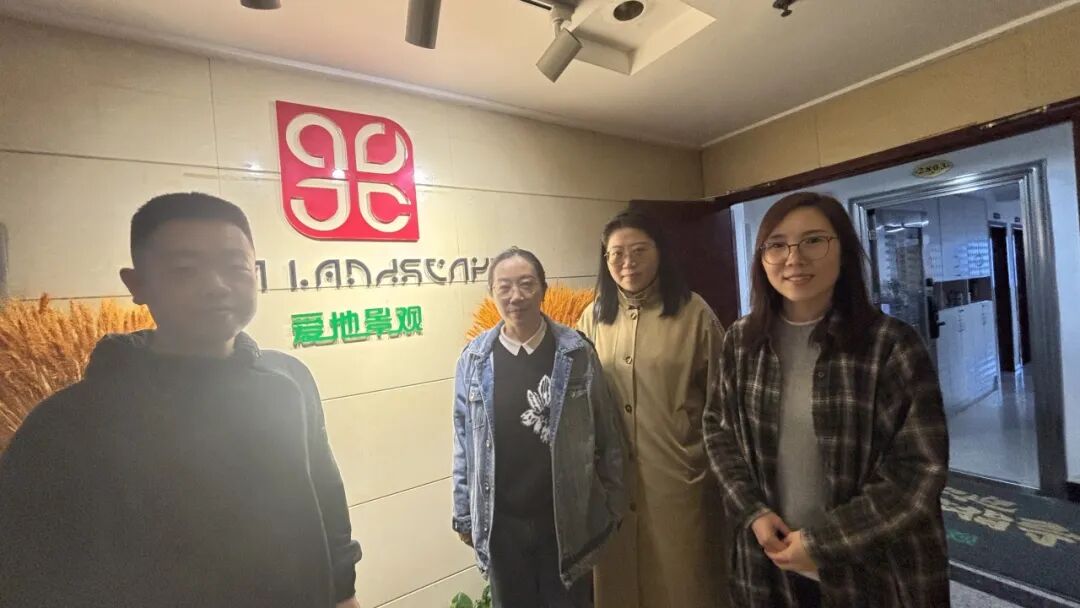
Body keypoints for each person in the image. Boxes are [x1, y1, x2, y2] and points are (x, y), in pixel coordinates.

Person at [0, 193, 361, 608]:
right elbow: (28, 567)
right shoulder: (69, 420)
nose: (217, 286)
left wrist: (344, 592)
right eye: (185, 270)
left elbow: (326, 497)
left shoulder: (289, 379)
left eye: (236, 267)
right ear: (137, 285)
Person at [704, 192, 950, 607]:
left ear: (844, 251)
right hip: (767, 565)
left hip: (873, 570)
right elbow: (718, 430)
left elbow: (918, 470)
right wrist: (753, 512)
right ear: (762, 258)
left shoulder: (891, 345)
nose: (793, 258)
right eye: (777, 245)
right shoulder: (742, 341)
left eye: (814, 240)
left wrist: (823, 542)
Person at [452, 247, 626, 608]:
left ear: (543, 289)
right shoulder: (474, 359)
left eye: (526, 284)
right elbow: (463, 442)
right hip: (502, 526)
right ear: (492, 293)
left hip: (565, 525)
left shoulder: (576, 352)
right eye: (504, 287)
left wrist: (612, 504)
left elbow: (607, 433)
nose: (515, 296)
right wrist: (464, 514)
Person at [577, 211, 728, 608]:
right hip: (613, 486)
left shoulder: (694, 314)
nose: (627, 262)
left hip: (679, 483)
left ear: (660, 252)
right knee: (619, 588)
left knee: (685, 586)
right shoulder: (592, 318)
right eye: (616, 253)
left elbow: (725, 404)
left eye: (639, 250)